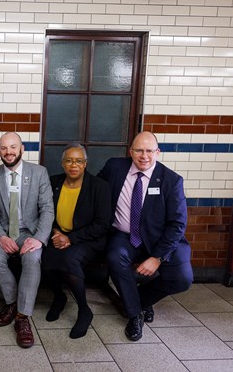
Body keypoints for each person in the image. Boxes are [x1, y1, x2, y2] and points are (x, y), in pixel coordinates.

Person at [98, 131, 193, 341]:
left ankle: (137, 300)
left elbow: (177, 224)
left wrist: (157, 257)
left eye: (149, 150)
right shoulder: (114, 167)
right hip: (125, 236)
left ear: (158, 152)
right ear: (131, 152)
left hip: (161, 239)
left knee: (182, 279)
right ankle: (134, 315)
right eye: (139, 150)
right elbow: (94, 190)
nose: (144, 156)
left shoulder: (171, 180)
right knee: (115, 256)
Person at [0, 132, 54, 348]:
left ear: (22, 148)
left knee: (32, 260)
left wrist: (40, 239)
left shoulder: (39, 172)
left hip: (30, 232)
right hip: (4, 231)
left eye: (13, 147)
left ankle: (22, 317)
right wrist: (1, 236)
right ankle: (13, 303)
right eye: (4, 148)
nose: (9, 152)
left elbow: (47, 209)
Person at [40, 143, 111, 339]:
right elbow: (45, 211)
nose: (74, 165)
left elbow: (102, 224)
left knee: (68, 260)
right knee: (42, 259)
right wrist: (55, 232)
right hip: (59, 235)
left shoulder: (99, 187)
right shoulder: (53, 182)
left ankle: (84, 309)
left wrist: (70, 238)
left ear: (85, 164)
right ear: (62, 163)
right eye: (69, 160)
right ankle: (59, 297)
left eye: (79, 161)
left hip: (89, 240)